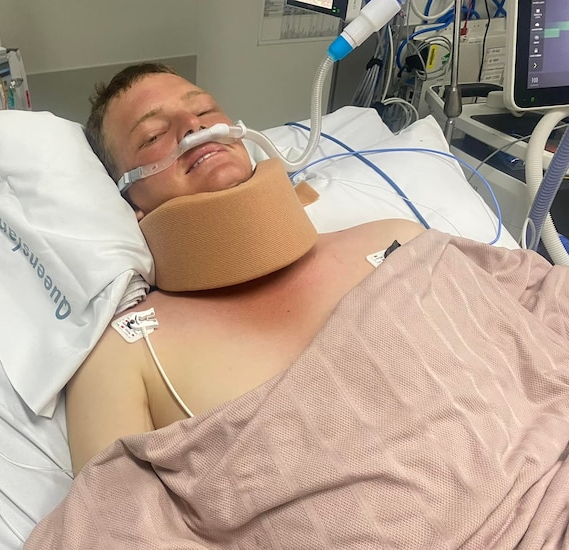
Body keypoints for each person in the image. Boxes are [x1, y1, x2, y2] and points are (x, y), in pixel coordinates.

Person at [66, 63, 424, 472]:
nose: (192, 126)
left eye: (204, 110)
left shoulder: (396, 240)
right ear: (129, 200)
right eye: (153, 136)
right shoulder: (126, 355)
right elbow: (112, 526)